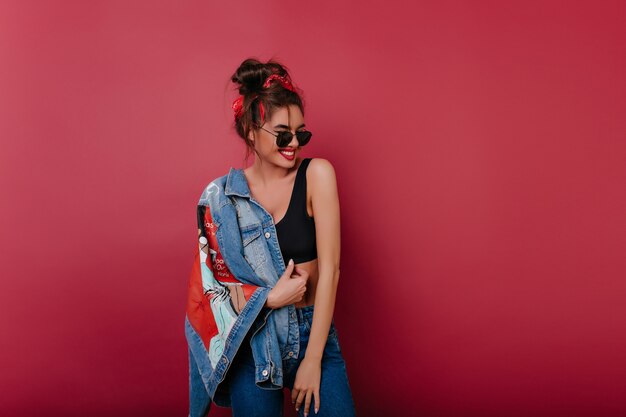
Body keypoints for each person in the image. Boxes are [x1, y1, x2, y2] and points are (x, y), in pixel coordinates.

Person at [186, 58, 356, 417]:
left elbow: (332, 270)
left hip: (313, 334)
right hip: (256, 343)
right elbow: (211, 291)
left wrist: (313, 360)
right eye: (283, 133)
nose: (294, 143)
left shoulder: (317, 175)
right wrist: (271, 298)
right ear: (251, 130)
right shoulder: (223, 199)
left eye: (301, 133)